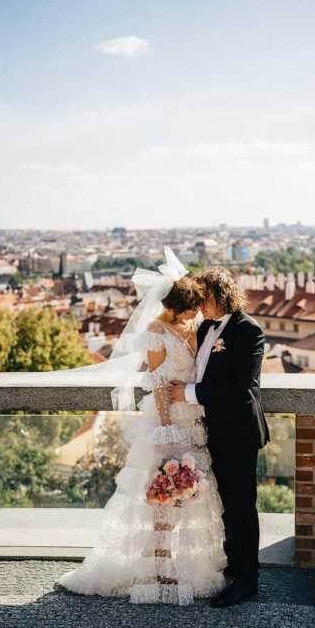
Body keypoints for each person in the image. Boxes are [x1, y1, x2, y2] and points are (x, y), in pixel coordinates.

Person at [59, 248, 226, 605]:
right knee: (162, 496)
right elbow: (157, 384)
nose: (197, 312)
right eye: (192, 307)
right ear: (172, 308)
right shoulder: (155, 332)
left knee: (191, 496)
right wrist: (166, 431)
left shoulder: (191, 324)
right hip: (167, 424)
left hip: (194, 422)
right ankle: (161, 567)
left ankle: (185, 565)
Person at [168, 266, 269, 608]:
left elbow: (241, 385)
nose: (199, 304)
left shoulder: (248, 331)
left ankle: (246, 581)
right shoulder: (208, 326)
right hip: (214, 431)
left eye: (204, 297)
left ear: (222, 295)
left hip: (239, 433)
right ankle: (232, 565)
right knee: (226, 505)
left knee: (242, 507)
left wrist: (189, 394)